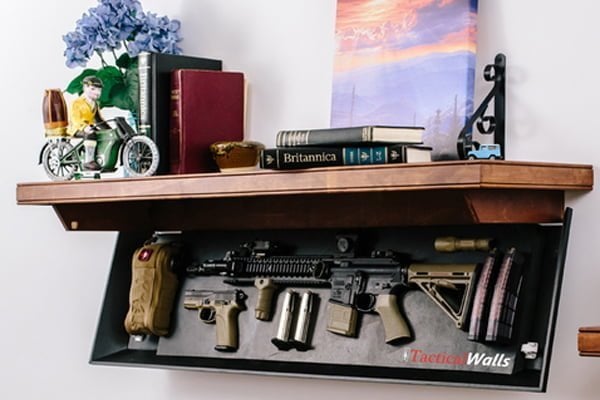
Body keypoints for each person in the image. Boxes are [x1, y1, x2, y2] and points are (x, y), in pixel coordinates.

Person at [67, 76, 107, 170]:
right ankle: (89, 161)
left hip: (90, 127)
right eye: (93, 89)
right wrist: (84, 127)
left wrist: (108, 129)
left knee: (101, 135)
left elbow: (98, 119)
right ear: (85, 88)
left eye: (99, 90)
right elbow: (75, 119)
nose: (97, 93)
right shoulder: (77, 103)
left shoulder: (95, 104)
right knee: (91, 135)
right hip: (76, 128)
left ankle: (98, 157)